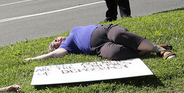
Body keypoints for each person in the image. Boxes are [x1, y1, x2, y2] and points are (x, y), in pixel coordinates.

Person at [23, 24, 175, 61]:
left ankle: (159, 50)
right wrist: (34, 59)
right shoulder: (67, 46)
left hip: (105, 30)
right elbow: (55, 54)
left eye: (56, 38)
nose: (58, 40)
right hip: (98, 47)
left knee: (120, 35)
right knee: (115, 53)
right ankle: (150, 48)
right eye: (55, 43)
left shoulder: (73, 30)